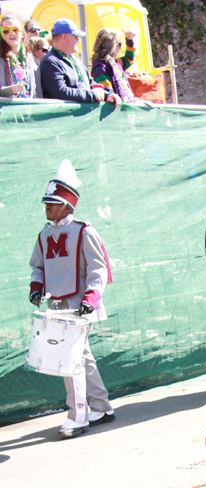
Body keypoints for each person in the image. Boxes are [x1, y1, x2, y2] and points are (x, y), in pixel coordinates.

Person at [29, 159, 115, 439]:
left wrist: (91, 297)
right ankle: (101, 406)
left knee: (69, 358)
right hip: (57, 306)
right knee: (81, 356)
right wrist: (36, 286)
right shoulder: (44, 235)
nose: (47, 207)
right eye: (47, 203)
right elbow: (38, 266)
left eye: (52, 202)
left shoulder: (83, 231)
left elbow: (98, 267)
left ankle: (77, 415)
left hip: (79, 306)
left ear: (67, 204)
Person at [40, 18, 120, 104]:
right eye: (76, 37)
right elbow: (61, 92)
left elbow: (91, 83)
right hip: (66, 116)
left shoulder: (74, 59)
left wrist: (107, 95)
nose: (79, 40)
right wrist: (92, 95)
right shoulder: (50, 61)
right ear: (65, 37)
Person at [91, 27, 138, 103]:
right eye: (119, 44)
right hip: (114, 111)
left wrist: (129, 40)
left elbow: (129, 58)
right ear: (110, 46)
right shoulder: (100, 68)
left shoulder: (115, 63)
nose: (120, 47)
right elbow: (109, 94)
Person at [1, 15, 39, 99]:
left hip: (31, 108)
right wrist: (12, 90)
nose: (11, 33)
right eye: (6, 30)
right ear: (2, 35)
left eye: (15, 29)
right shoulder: (1, 59)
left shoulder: (31, 59)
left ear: (22, 33)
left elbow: (38, 91)